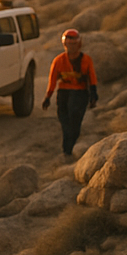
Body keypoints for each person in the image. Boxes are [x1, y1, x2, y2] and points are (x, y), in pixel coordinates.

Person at [41, 29, 98, 158]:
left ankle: (68, 148)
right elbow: (52, 81)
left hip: (80, 94)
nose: (71, 47)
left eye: (74, 44)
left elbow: (92, 78)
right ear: (64, 44)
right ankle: (67, 149)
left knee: (75, 121)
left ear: (79, 44)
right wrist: (48, 97)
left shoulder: (86, 60)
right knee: (64, 120)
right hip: (64, 94)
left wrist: (93, 95)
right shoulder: (58, 61)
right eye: (69, 44)